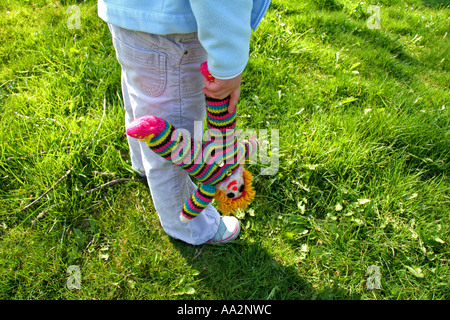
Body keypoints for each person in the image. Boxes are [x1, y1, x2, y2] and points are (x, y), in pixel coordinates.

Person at [97, 0, 271, 245]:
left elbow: (251, 146)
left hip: (129, 17)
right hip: (174, 33)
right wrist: (227, 65)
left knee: (142, 96)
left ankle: (143, 164)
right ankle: (193, 229)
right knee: (176, 138)